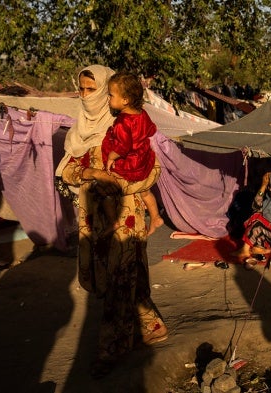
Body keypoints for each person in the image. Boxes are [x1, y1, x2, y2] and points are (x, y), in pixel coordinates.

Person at [55, 65, 167, 379]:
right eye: (82, 89)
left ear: (108, 92)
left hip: (126, 221)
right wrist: (89, 173)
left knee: (121, 280)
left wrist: (110, 178)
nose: (86, 95)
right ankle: (151, 327)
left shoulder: (126, 128)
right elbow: (66, 172)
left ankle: (111, 349)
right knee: (117, 280)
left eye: (93, 89)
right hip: (94, 221)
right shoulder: (80, 132)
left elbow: (150, 172)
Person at [101, 72, 163, 237]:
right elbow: (151, 129)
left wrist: (111, 158)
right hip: (143, 159)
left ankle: (113, 221)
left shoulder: (122, 122)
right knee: (145, 191)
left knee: (106, 192)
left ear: (125, 100)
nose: (108, 98)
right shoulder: (142, 113)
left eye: (110, 95)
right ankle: (156, 217)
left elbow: (123, 147)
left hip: (130, 165)